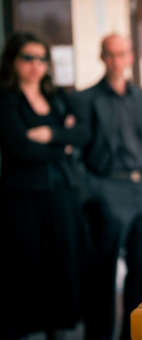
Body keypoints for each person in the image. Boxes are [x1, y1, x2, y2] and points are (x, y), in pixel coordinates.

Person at [73, 34, 142, 340]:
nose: (116, 60)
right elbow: (79, 152)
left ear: (130, 57)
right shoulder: (85, 99)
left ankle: (133, 336)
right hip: (107, 188)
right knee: (102, 274)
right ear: (103, 58)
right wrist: (92, 190)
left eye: (121, 53)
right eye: (110, 54)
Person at [0, 32, 88, 339]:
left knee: (63, 264)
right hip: (24, 197)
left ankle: (59, 329)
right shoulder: (6, 100)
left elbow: (81, 134)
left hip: (61, 193)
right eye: (28, 58)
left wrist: (50, 136)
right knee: (29, 266)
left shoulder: (56, 98)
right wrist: (60, 142)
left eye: (41, 58)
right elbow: (18, 148)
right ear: (13, 61)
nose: (36, 65)